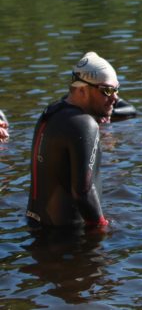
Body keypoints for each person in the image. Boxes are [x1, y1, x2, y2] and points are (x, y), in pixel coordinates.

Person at [26, 51, 119, 228]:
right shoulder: (84, 124)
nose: (115, 98)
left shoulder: (52, 110)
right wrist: (101, 226)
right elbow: (82, 192)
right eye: (107, 90)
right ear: (82, 90)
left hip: (37, 226)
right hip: (69, 236)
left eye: (116, 89)